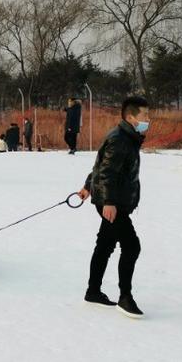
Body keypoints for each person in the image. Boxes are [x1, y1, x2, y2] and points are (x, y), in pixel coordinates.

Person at [77, 96, 149, 318]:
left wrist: (88, 186)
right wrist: (108, 202)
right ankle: (125, 298)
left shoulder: (126, 136)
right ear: (131, 118)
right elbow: (107, 172)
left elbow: (102, 166)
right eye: (145, 116)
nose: (149, 119)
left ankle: (93, 291)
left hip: (113, 200)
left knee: (105, 244)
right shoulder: (121, 139)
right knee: (132, 246)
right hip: (112, 202)